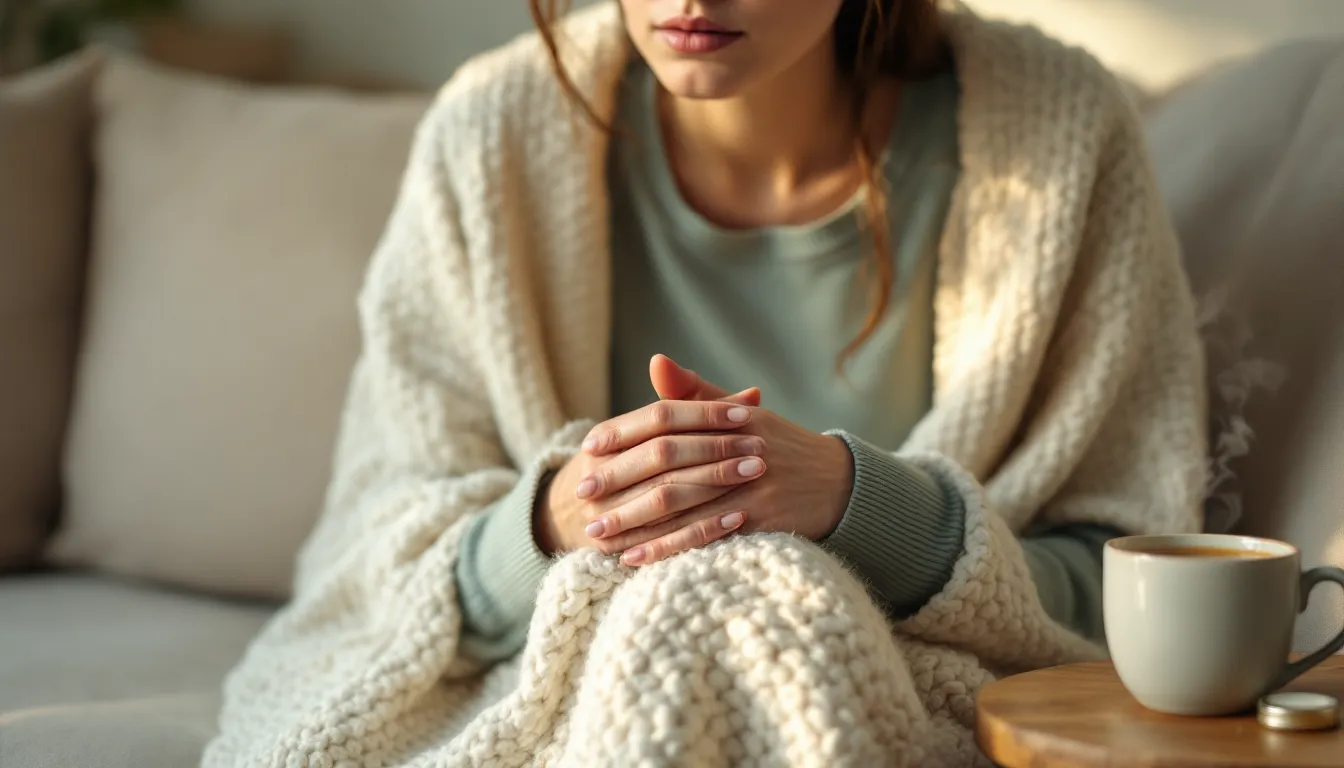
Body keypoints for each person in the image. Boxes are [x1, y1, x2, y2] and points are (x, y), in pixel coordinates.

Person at [206, 0, 1208, 765]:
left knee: (744, 591)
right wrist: (559, 519)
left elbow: (1132, 582)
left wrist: (858, 506)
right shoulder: (491, 137)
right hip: (566, 701)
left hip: (899, 708)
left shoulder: (1061, 136)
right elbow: (378, 552)